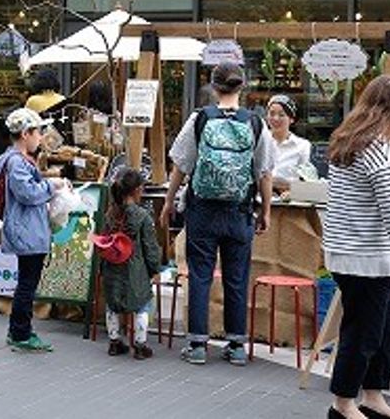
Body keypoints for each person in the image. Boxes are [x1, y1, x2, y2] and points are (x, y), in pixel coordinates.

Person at [159, 61, 275, 366]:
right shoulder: (255, 122)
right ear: (242, 86)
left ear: (213, 87)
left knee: (200, 275)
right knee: (236, 277)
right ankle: (236, 346)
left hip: (203, 210)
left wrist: (170, 201)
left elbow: (180, 165)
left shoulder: (200, 118)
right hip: (239, 212)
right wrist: (265, 209)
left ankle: (198, 344)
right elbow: (264, 171)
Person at [323, 76, 390, 419]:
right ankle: (344, 404)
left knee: (386, 331)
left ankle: (373, 398)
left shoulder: (347, 140)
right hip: (367, 255)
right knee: (362, 335)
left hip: (346, 250)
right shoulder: (380, 147)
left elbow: (361, 189)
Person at [0, 107, 65, 352]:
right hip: (27, 231)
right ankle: (21, 333)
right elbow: (27, 193)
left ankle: (20, 329)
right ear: (25, 134)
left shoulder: (14, 160)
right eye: (37, 132)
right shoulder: (17, 163)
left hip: (26, 229)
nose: (40, 138)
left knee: (26, 281)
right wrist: (50, 186)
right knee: (27, 284)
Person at [102, 168, 161, 360]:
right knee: (142, 305)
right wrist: (155, 269)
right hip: (135, 269)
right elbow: (150, 247)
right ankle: (140, 344)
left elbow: (103, 241)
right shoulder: (142, 216)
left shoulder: (110, 214)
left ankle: (114, 342)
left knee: (113, 304)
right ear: (136, 190)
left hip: (112, 266)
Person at [266, 94, 312, 194]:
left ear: (291, 119)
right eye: (271, 114)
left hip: (288, 201)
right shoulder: (260, 141)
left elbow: (307, 181)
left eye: (281, 115)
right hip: (259, 199)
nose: (276, 118)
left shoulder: (302, 146)